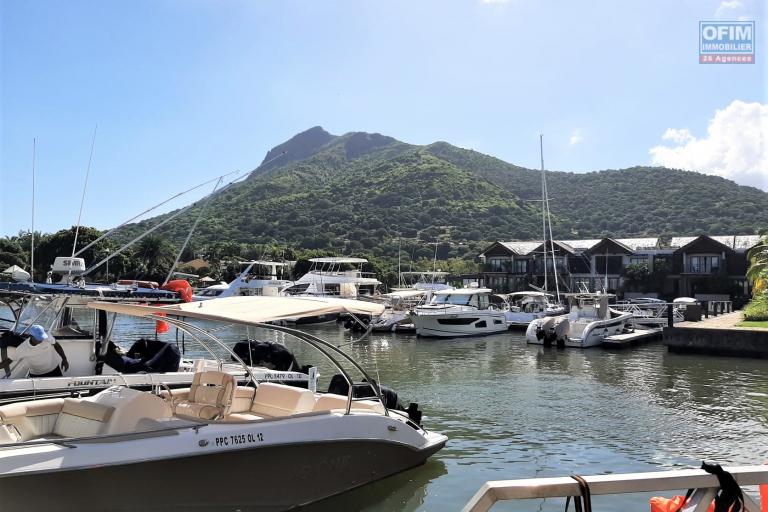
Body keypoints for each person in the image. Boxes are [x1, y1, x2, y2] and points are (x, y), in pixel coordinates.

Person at [0, 324, 69, 378]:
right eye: (38, 338)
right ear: (31, 336)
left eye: (42, 337)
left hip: (54, 369)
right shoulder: (23, 348)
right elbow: (7, 362)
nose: (41, 340)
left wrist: (64, 359)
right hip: (37, 374)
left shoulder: (47, 336)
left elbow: (57, 345)